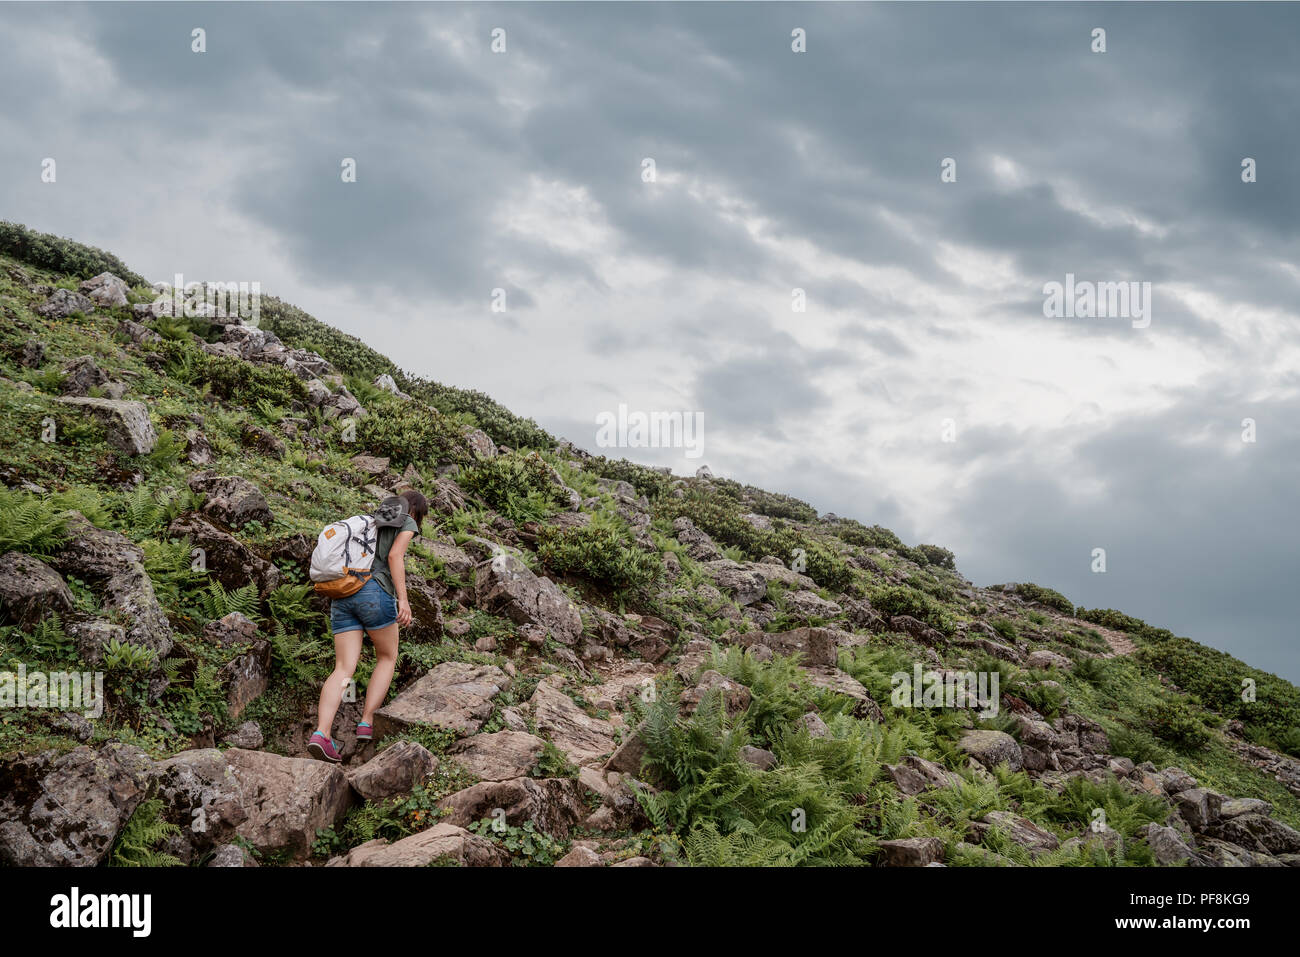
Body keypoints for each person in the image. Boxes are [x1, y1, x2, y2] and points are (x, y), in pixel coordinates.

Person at [308, 489, 428, 762]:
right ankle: (366, 721)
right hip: (375, 592)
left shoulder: (372, 521)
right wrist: (404, 601)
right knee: (387, 656)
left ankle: (321, 734)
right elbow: (395, 557)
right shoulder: (407, 521)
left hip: (344, 593)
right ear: (415, 512)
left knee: (342, 668)